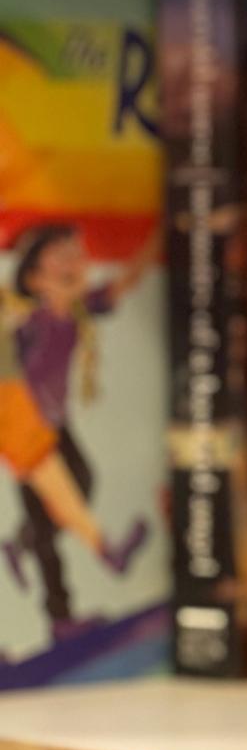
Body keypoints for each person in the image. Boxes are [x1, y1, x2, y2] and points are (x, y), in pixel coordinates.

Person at [0, 222, 155, 637]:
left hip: (57, 422)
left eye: (75, 252)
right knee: (49, 515)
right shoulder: (28, 322)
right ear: (34, 279)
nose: (73, 259)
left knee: (82, 482)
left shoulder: (80, 310)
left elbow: (126, 281)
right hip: (25, 432)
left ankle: (24, 542)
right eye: (59, 256)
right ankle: (61, 617)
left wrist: (159, 240)